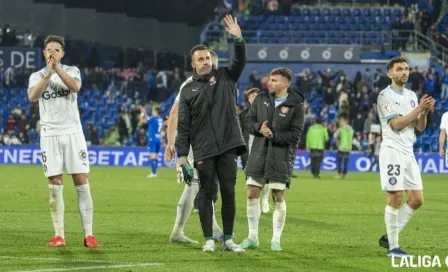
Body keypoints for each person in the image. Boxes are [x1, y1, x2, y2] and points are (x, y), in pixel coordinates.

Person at [175, 15, 247, 252]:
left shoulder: (226, 76)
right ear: (193, 64)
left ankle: (227, 239)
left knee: (228, 193)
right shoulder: (187, 91)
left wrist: (238, 38)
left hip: (228, 145)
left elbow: (240, 61)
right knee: (206, 193)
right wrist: (182, 155)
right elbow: (183, 126)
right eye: (200, 60)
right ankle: (208, 239)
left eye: (207, 58)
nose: (206, 62)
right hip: (204, 148)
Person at [27, 35, 99, 247]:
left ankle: (89, 235)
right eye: (49, 50)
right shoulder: (36, 76)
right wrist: (47, 75)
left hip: (72, 132)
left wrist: (57, 69)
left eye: (56, 50)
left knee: (82, 182)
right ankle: (59, 235)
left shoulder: (72, 70)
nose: (53, 53)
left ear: (62, 53)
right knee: (55, 184)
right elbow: (32, 96)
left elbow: (75, 87)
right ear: (44, 53)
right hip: (50, 134)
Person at [240, 67, 305, 251]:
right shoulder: (260, 100)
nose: (269, 83)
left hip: (280, 156)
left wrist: (273, 135)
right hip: (259, 154)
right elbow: (248, 121)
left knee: (277, 197)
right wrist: (259, 128)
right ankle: (252, 237)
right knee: (252, 193)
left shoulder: (296, 105)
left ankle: (276, 240)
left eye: (274, 80)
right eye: (270, 79)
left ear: (285, 84)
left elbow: (295, 135)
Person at [376, 56, 435, 257]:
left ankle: (389, 236)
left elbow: (419, 127)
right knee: (396, 196)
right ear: (390, 74)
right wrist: (419, 108)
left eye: (406, 69)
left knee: (417, 199)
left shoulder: (411, 95)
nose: (404, 72)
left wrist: (424, 112)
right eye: (399, 69)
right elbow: (397, 125)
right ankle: (393, 247)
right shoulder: (385, 96)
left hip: (408, 151)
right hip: (392, 150)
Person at [165, 50, 224, 244]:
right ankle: (180, 232)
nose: (209, 66)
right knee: (194, 186)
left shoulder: (216, 84)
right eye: (205, 62)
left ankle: (209, 230)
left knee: (202, 186)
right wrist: (171, 142)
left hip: (210, 143)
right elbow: (174, 114)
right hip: (195, 143)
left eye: (211, 63)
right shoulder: (190, 85)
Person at [239, 88, 271, 213]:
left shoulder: (267, 113)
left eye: (256, 96)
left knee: (266, 175)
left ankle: (265, 199)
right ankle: (255, 201)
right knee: (250, 179)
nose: (253, 98)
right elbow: (240, 132)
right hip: (248, 150)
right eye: (251, 97)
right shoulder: (243, 114)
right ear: (248, 99)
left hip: (263, 148)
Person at [140, 107, 163, 178]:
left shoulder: (153, 119)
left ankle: (153, 173)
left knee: (152, 156)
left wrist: (142, 113)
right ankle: (154, 172)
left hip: (152, 138)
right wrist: (145, 113)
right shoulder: (160, 119)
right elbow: (149, 119)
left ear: (156, 112)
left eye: (153, 111)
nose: (152, 112)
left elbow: (142, 121)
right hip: (158, 138)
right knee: (156, 156)